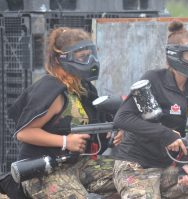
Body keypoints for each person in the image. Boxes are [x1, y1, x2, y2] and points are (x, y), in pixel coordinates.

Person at [7, 27, 122, 199]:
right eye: (82, 57)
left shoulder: (84, 87)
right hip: (43, 169)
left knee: (132, 171)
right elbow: (24, 133)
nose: (90, 61)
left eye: (91, 54)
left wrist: (117, 131)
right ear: (63, 58)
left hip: (79, 163)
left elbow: (98, 127)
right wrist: (65, 141)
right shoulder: (51, 89)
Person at [112, 21, 188, 199]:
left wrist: (186, 167)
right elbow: (122, 118)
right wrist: (166, 133)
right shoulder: (154, 79)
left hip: (166, 167)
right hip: (136, 165)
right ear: (175, 55)